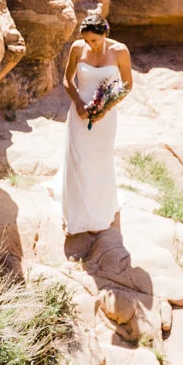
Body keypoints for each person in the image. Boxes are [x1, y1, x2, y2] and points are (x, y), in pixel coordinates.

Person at [59, 15, 134, 235]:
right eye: (86, 40)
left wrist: (106, 107)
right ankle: (77, 215)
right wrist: (78, 102)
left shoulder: (120, 51)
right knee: (79, 162)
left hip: (106, 118)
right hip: (79, 113)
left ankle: (99, 212)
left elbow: (128, 85)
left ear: (105, 34)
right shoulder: (77, 48)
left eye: (94, 40)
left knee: (100, 162)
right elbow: (67, 80)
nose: (90, 45)